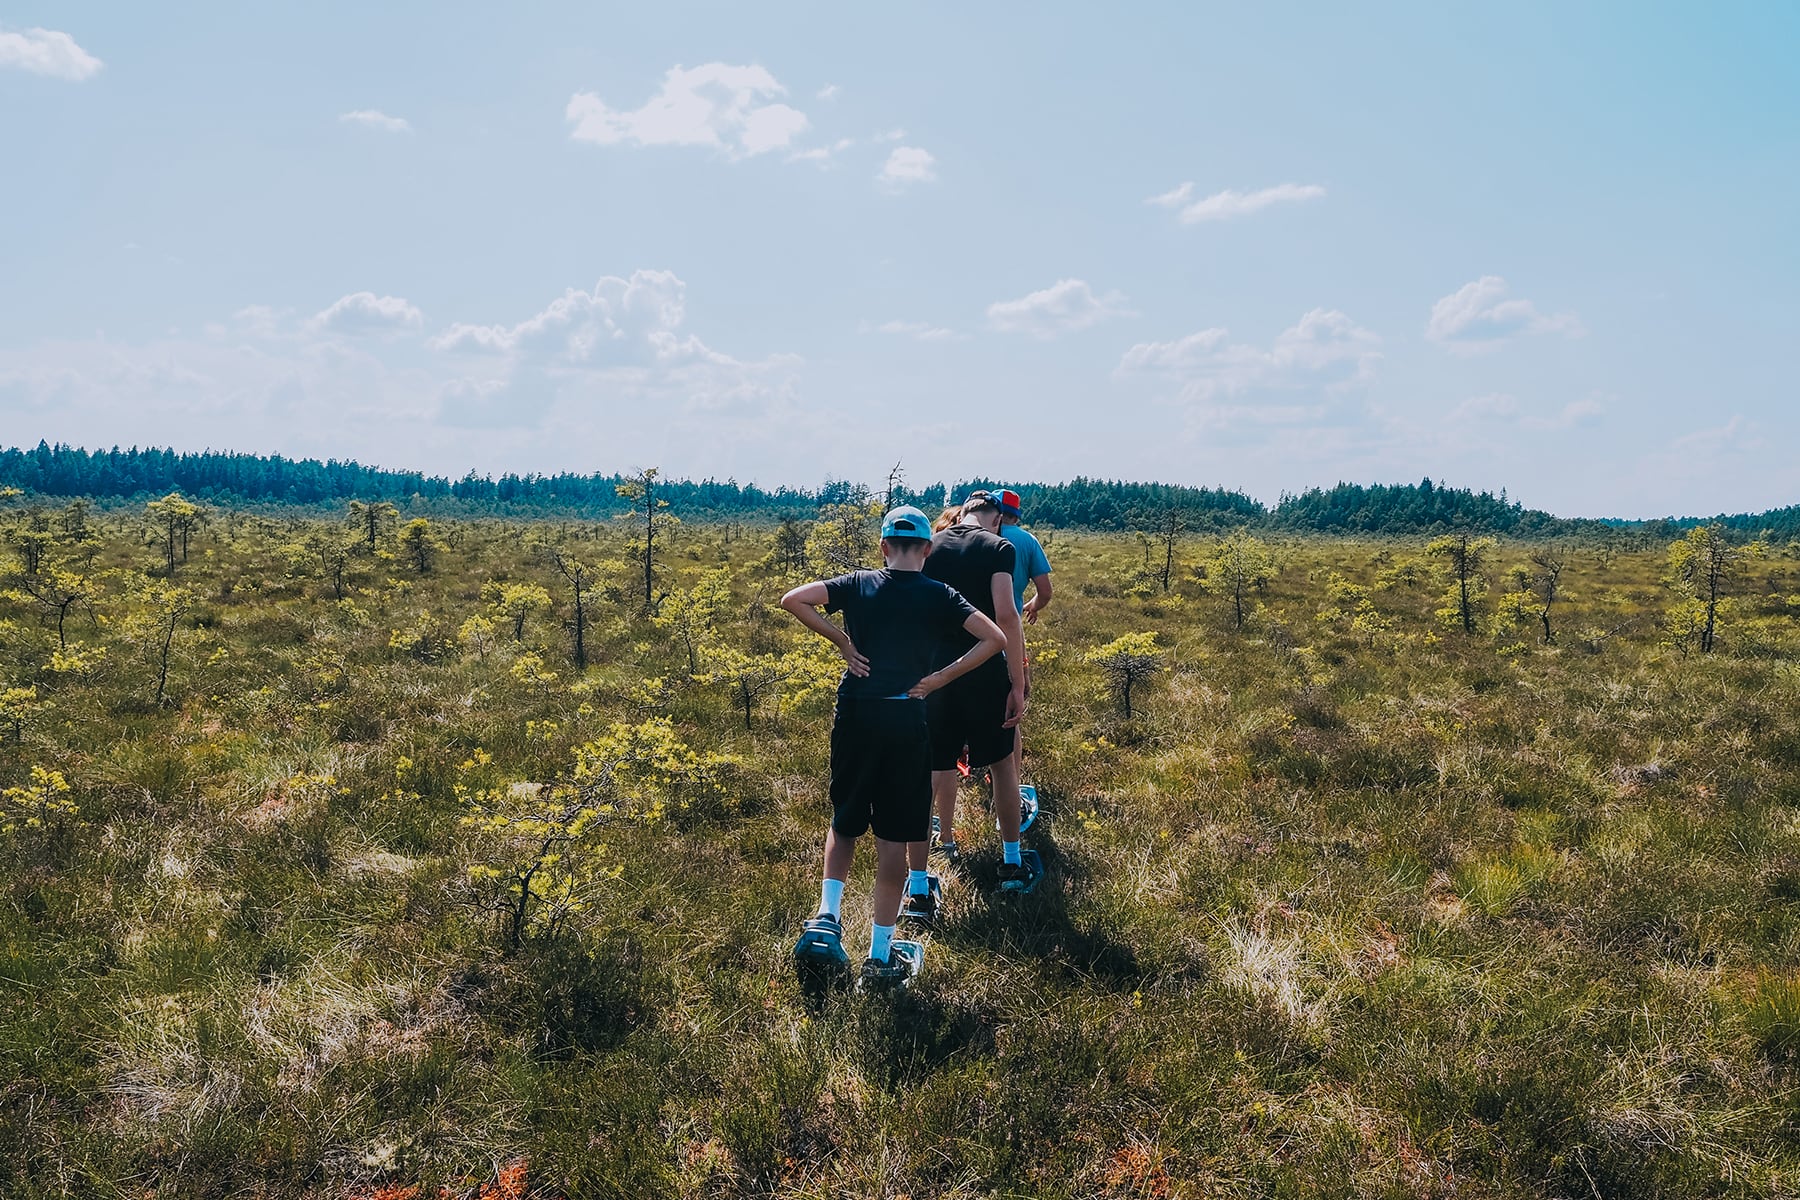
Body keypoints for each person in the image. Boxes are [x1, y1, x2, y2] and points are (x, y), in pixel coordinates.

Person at [783, 505, 1005, 990]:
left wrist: (841, 640)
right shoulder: (940, 595)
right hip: (907, 721)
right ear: (927, 549)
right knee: (893, 841)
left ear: (884, 547)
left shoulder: (859, 583)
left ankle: (827, 919)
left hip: (857, 715)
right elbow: (995, 637)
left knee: (844, 824)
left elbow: (793, 599)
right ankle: (880, 959)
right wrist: (940, 678)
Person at [905, 489, 1034, 908]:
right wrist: (1017, 682)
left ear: (961, 514)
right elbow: (1007, 615)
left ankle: (920, 884)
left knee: (928, 774)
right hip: (984, 673)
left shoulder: (930, 545)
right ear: (996, 519)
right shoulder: (999, 547)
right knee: (1002, 766)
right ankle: (1012, 863)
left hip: (934, 676)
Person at [995, 488, 1051, 828]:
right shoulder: (1026, 541)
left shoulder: (974, 535)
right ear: (1017, 513)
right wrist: (1030, 605)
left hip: (968, 635)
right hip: (1009, 635)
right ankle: (1010, 786)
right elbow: (1045, 592)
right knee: (1011, 711)